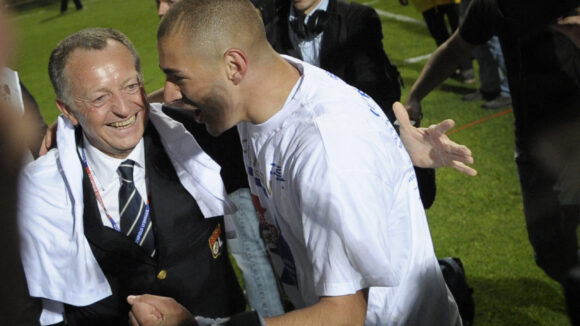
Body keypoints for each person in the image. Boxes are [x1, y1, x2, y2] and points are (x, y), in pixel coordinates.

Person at [127, 0, 478, 324]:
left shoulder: (326, 152)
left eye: (179, 77)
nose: (171, 93)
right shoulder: (268, 89)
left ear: (234, 66)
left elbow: (345, 315)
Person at [18, 28, 247, 325]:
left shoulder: (198, 135)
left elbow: (259, 70)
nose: (124, 109)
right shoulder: (37, 193)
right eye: (100, 98)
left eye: (130, 86)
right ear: (67, 110)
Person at [404, 0, 580, 301]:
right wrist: (415, 96)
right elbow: (456, 48)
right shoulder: (492, 4)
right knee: (550, 251)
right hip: (535, 142)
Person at [154, 0, 286, 317]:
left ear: (234, 66)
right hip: (243, 173)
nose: (161, 9)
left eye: (168, 0)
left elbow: (344, 306)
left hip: (239, 175)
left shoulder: (312, 145)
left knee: (254, 256)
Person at [266, 0, 438, 209]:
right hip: (305, 162)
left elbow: (374, 92)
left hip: (356, 152)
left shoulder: (358, 18)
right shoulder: (272, 26)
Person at [400, 0, 475, 84]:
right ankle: (451, 67)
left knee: (459, 30)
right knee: (438, 34)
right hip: (426, 3)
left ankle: (466, 67)